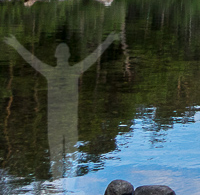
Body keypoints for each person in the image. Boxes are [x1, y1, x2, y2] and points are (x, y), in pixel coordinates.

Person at [5, 33, 118, 180]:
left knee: (55, 155)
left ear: (56, 55)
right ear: (69, 55)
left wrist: (15, 44)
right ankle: (70, 184)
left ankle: (57, 183)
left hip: (54, 122)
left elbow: (31, 59)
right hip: (71, 121)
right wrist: (108, 40)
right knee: (72, 158)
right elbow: (94, 56)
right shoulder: (75, 70)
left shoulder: (50, 72)